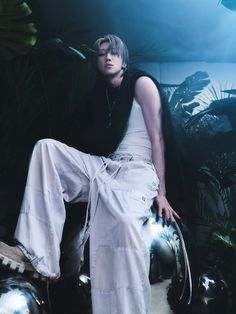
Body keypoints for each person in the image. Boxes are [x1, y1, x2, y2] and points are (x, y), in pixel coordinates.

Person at [0, 34, 180, 313]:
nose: (108, 57)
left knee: (123, 221)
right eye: (101, 53)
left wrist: (162, 193)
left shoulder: (141, 83)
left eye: (114, 52)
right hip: (105, 166)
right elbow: (86, 138)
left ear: (124, 59)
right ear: (96, 61)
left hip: (138, 169)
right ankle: (38, 257)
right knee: (47, 149)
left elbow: (158, 138)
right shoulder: (99, 95)